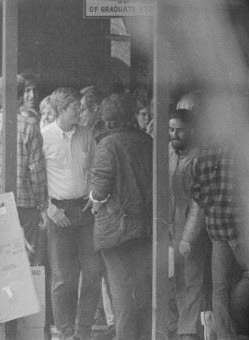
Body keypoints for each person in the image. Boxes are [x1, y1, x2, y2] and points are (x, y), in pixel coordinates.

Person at [89, 93, 153, 340]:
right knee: (143, 286)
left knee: (120, 289)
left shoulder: (108, 144)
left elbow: (100, 187)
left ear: (107, 118)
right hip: (143, 225)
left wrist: (95, 205)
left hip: (115, 228)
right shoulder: (146, 141)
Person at [41, 87, 101, 340]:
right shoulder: (44, 136)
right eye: (75, 107)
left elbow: (98, 168)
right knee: (62, 279)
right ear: (60, 111)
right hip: (59, 212)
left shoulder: (86, 133)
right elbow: (35, 178)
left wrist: (97, 198)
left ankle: (83, 331)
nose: (80, 110)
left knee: (92, 273)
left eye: (80, 106)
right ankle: (65, 333)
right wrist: (49, 210)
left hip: (86, 211)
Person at [0, 75, 48, 261]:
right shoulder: (29, 127)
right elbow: (37, 172)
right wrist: (42, 205)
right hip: (21, 205)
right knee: (22, 262)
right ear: (20, 97)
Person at [190, 144, 249, 339]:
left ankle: (226, 335)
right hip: (239, 227)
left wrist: (213, 205)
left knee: (219, 289)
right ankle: (237, 304)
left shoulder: (202, 155)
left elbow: (197, 193)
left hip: (215, 228)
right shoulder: (239, 150)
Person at [168, 109, 211, 340]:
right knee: (178, 280)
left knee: (193, 280)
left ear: (191, 130)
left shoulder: (199, 157)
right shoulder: (168, 152)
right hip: (171, 226)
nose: (174, 134)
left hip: (192, 230)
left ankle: (188, 332)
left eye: (180, 130)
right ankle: (183, 327)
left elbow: (199, 203)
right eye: (171, 129)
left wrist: (187, 237)